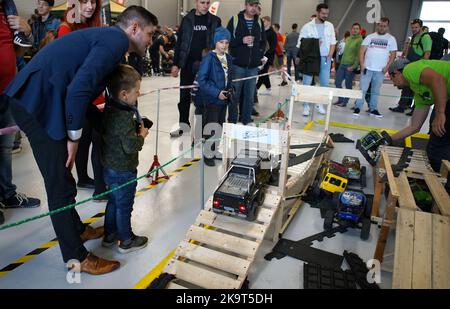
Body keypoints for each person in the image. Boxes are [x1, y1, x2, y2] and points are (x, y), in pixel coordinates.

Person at [3, 6, 158, 274]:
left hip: (45, 97)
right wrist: (74, 138)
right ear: (134, 28)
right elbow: (78, 89)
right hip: (36, 101)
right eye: (150, 34)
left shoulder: (111, 40)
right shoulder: (116, 40)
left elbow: (81, 91)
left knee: (63, 177)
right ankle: (77, 257)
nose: (151, 41)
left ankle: (77, 230)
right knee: (59, 182)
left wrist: (102, 127)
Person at [57, 0, 108, 202]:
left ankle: (91, 181)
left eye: (93, 3)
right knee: (87, 139)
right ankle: (98, 187)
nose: (89, 6)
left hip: (93, 92)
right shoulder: (65, 29)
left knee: (92, 138)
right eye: (84, 1)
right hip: (79, 94)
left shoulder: (93, 26)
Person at [101, 64, 149, 253]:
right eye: (136, 92)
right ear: (123, 94)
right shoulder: (123, 117)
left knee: (113, 201)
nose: (139, 94)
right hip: (123, 170)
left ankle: (110, 234)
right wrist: (142, 135)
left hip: (110, 166)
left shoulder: (110, 107)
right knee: (124, 205)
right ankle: (126, 240)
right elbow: (130, 147)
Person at [1, 0, 40, 222]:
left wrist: (27, 32)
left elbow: (20, 50)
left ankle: (7, 194)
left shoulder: (8, 16)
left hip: (7, 92)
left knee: (5, 148)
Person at [170, 0, 221, 137]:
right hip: (187, 64)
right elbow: (180, 42)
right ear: (196, 2)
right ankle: (183, 125)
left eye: (207, 2)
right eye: (202, 2)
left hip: (206, 65)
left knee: (205, 96)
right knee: (184, 96)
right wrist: (176, 64)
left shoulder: (215, 21)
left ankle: (204, 128)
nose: (205, 5)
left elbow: (219, 43)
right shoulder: (187, 20)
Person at [389, 58, 450, 172]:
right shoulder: (418, 91)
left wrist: (440, 113)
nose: (393, 84)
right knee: (437, 136)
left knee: (438, 142)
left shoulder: (409, 69)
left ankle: (441, 182)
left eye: (392, 79)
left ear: (396, 73)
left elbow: (438, 79)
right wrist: (388, 139)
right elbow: (414, 127)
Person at [227, 0, 266, 125]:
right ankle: (232, 121)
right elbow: (227, 40)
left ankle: (246, 120)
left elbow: (263, 42)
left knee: (249, 96)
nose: (253, 8)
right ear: (245, 6)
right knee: (234, 95)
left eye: (255, 6)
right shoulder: (235, 20)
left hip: (253, 66)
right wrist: (241, 40)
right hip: (237, 64)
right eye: (251, 5)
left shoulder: (259, 22)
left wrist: (258, 56)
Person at [197, 27, 233, 167]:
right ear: (215, 43)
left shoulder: (228, 59)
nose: (224, 45)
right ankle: (207, 153)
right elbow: (202, 81)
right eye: (221, 42)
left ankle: (215, 149)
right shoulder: (209, 59)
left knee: (219, 126)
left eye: (226, 42)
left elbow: (228, 78)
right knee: (211, 127)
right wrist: (216, 93)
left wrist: (229, 91)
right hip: (212, 99)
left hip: (224, 100)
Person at [296, 3, 336, 117]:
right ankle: (306, 106)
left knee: (324, 83)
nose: (325, 15)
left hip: (325, 58)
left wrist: (330, 56)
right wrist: (313, 43)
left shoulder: (330, 25)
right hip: (311, 59)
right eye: (323, 13)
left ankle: (320, 104)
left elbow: (333, 42)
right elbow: (300, 43)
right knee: (307, 83)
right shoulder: (307, 26)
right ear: (317, 13)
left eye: (327, 14)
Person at [353, 17, 397, 118]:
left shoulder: (391, 39)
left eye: (384, 26)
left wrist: (387, 67)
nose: (382, 28)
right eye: (380, 25)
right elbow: (361, 51)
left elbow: (393, 55)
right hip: (367, 68)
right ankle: (357, 107)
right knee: (362, 89)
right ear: (378, 25)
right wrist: (362, 64)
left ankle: (373, 109)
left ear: (387, 27)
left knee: (375, 91)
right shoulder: (369, 37)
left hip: (380, 71)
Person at [390, 19, 431, 115]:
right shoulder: (414, 36)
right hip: (409, 64)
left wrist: (422, 67)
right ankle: (404, 105)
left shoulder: (426, 37)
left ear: (421, 27)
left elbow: (427, 53)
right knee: (407, 86)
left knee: (416, 88)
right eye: (412, 27)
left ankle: (414, 109)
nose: (414, 29)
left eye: (416, 27)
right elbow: (410, 49)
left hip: (418, 65)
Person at [334, 23, 362, 107]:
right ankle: (340, 99)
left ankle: (345, 102)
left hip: (350, 66)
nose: (355, 30)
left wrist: (354, 66)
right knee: (337, 82)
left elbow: (358, 55)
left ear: (359, 30)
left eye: (357, 28)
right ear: (351, 29)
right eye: (353, 28)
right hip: (342, 64)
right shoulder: (348, 39)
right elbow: (343, 52)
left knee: (348, 84)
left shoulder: (360, 40)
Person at [256, 16, 276, 96]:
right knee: (263, 73)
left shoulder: (272, 33)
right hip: (261, 56)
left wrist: (266, 55)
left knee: (263, 72)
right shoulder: (262, 31)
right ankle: (268, 87)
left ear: (268, 22)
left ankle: (256, 88)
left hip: (268, 56)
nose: (263, 23)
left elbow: (273, 46)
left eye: (264, 21)